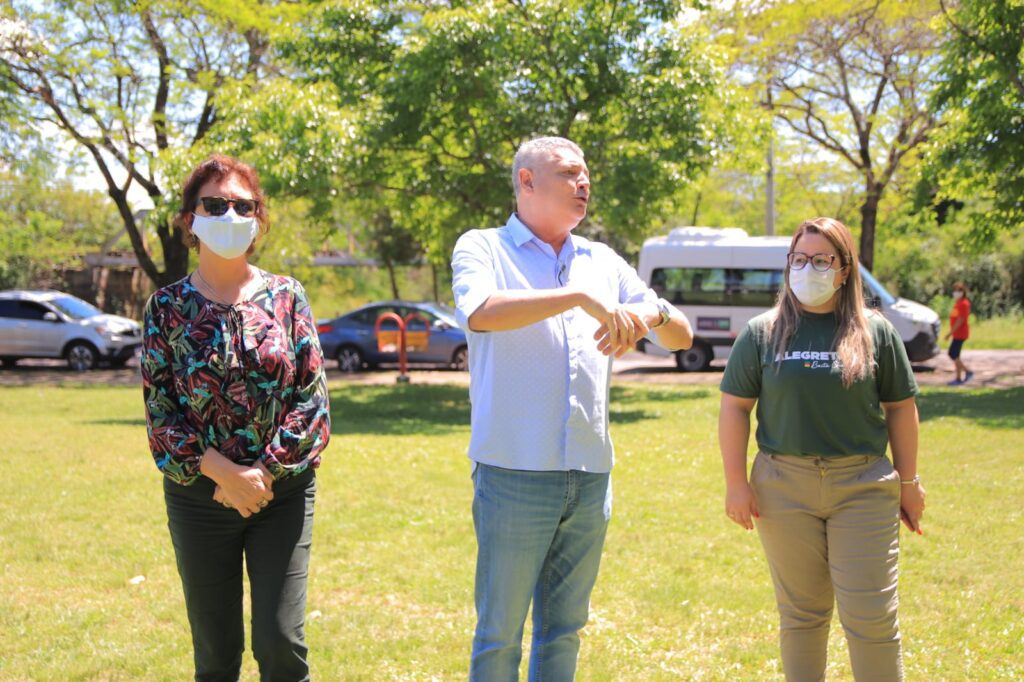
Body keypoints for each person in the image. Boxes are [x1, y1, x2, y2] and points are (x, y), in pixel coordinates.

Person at [451, 136, 694, 680]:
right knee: (499, 636)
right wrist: (579, 298)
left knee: (564, 632)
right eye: (568, 173)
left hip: (589, 476)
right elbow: (482, 312)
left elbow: (681, 335)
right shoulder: (483, 247)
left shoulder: (601, 259)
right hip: (513, 472)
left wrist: (650, 312)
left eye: (587, 175)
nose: (583, 183)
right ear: (526, 181)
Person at [141, 154, 330, 681]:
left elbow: (311, 397)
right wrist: (223, 473)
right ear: (189, 220)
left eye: (242, 205)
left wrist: (261, 474)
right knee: (216, 653)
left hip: (282, 492)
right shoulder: (166, 308)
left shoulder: (287, 297)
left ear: (258, 219)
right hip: (200, 496)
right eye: (215, 204)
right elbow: (160, 410)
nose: (229, 214)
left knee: (280, 642)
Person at [718, 217, 925, 682]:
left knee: (871, 618)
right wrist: (735, 483)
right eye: (798, 259)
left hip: (863, 487)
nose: (807, 269)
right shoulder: (762, 332)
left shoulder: (876, 331)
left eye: (820, 260)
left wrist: (908, 483)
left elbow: (901, 408)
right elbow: (734, 409)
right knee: (802, 616)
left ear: (845, 270)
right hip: (782, 487)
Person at [945, 281, 973, 385]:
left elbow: (960, 320)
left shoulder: (964, 304)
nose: (956, 292)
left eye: (959, 290)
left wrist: (950, 333)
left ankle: (968, 371)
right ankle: (958, 378)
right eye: (955, 290)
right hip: (957, 334)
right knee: (955, 355)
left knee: (952, 353)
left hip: (960, 333)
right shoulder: (957, 303)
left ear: (963, 292)